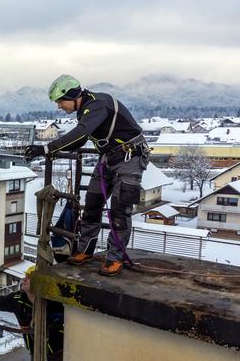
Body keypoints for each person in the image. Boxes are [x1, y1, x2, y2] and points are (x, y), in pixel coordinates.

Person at [25, 74, 149, 276]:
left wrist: (46, 149)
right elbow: (80, 141)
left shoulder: (98, 105)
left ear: (73, 95)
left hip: (130, 158)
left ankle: (115, 258)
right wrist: (51, 151)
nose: (59, 106)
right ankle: (85, 250)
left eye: (61, 101)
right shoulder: (86, 109)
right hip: (109, 158)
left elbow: (81, 133)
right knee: (92, 204)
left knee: (119, 211)